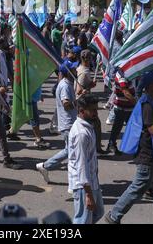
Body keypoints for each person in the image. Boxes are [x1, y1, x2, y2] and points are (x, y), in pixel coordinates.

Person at [105, 72, 153, 224]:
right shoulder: (147, 104)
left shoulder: (151, 101)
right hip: (148, 155)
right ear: (151, 85)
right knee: (138, 188)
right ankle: (114, 215)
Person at [36, 60, 77, 183]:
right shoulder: (64, 86)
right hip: (68, 124)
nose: (75, 70)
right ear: (67, 72)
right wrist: (78, 101)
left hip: (69, 122)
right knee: (72, 152)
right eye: (73, 69)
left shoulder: (67, 83)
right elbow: (66, 104)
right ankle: (46, 166)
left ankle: (46, 166)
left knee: (70, 151)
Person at [68, 94, 104, 224]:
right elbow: (81, 166)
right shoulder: (81, 134)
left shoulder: (89, 126)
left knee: (98, 212)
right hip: (84, 185)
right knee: (82, 220)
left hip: (92, 180)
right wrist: (88, 194)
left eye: (96, 109)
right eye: (93, 110)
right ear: (82, 111)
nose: (96, 113)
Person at [75, 50, 105, 154]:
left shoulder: (80, 68)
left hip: (84, 104)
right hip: (85, 104)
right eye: (90, 58)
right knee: (96, 124)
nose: (91, 60)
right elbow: (79, 91)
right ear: (86, 59)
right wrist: (90, 86)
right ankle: (96, 148)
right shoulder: (84, 72)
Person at [106, 69, 136, 155]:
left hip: (126, 107)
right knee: (133, 128)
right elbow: (126, 92)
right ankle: (134, 148)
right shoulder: (122, 75)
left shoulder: (126, 72)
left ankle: (112, 145)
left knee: (119, 127)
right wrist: (137, 104)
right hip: (123, 107)